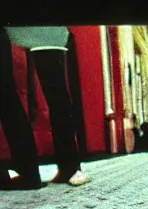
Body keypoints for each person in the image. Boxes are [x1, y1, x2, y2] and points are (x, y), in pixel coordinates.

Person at [0, 26, 90, 190]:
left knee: (55, 94)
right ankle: (67, 167)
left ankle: (65, 168)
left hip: (39, 23)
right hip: (38, 22)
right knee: (56, 94)